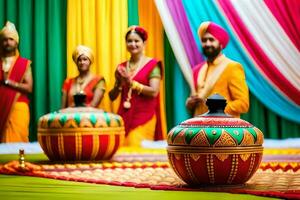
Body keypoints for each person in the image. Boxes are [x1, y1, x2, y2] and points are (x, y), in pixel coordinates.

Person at [109, 26, 165, 147]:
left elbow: (154, 92)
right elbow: (112, 97)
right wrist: (119, 84)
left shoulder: (152, 65)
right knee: (120, 148)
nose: (133, 44)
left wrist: (132, 84)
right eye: (129, 41)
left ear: (144, 43)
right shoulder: (122, 67)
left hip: (144, 116)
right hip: (124, 115)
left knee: (135, 144)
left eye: (136, 41)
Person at [186, 21, 249, 118]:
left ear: (220, 44)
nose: (207, 44)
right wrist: (190, 104)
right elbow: (195, 102)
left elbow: (243, 104)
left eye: (211, 40)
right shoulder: (197, 70)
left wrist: (216, 110)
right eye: (204, 40)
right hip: (199, 129)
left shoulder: (232, 67)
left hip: (223, 129)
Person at [0, 21, 33, 143]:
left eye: (11, 39)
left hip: (18, 107)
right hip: (0, 107)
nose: (8, 42)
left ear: (16, 42)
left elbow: (29, 88)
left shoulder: (24, 64)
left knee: (18, 143)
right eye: (4, 40)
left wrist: (8, 82)